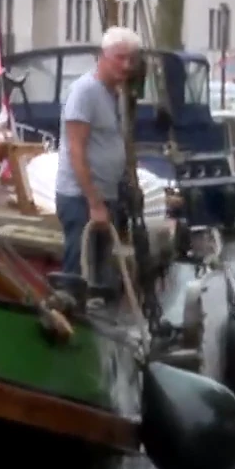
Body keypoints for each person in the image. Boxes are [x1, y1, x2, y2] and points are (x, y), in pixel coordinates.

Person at [56, 26, 141, 286]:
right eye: (120, 57)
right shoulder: (85, 92)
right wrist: (94, 203)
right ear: (102, 56)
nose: (126, 65)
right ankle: (70, 311)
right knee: (78, 263)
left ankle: (97, 316)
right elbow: (76, 149)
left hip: (106, 195)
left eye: (131, 60)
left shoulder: (114, 94)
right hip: (80, 198)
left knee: (101, 267)